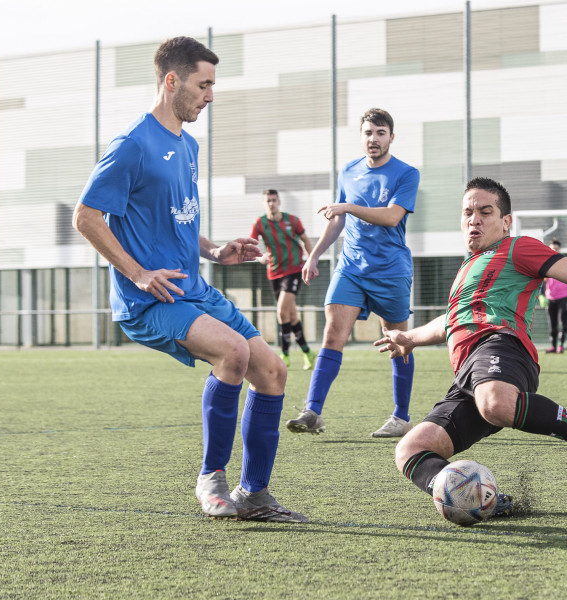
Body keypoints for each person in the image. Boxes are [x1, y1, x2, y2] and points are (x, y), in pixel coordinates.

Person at [73, 36, 306, 522]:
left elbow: (174, 219)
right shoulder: (132, 144)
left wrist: (215, 249)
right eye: (204, 85)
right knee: (234, 353)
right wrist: (136, 274)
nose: (211, 95)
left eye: (213, 85)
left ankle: (254, 494)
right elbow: (86, 216)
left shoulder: (189, 145)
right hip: (151, 299)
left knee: (273, 371)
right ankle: (211, 478)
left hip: (194, 288)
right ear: (171, 81)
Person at [375, 177, 567, 518]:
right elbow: (451, 322)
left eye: (486, 212)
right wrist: (409, 337)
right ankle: (480, 501)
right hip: (468, 376)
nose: (475, 219)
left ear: (506, 222)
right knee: (411, 449)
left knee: (496, 402)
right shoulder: (466, 269)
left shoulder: (518, 247)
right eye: (468, 212)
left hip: (502, 348)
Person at [286, 108, 420, 438]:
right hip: (351, 268)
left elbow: (391, 217)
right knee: (333, 333)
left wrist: (346, 207)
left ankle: (401, 417)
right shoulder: (348, 171)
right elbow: (337, 220)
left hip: (391, 272)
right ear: (360, 136)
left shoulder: (406, 173)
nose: (373, 139)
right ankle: (312, 411)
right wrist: (314, 255)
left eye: (380, 133)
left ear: (391, 136)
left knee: (398, 342)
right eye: (368, 133)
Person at [251, 189, 317, 370]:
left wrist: (311, 261)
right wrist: (260, 257)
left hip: (294, 270)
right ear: (265, 203)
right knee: (291, 315)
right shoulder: (260, 223)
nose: (271, 203)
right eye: (268, 201)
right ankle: (307, 352)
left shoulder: (293, 220)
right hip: (274, 273)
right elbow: (251, 247)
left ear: (279, 201)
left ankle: (284, 354)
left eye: (274, 200)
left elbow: (305, 240)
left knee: (281, 312)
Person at [537, 238, 567, 354]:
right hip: (551, 299)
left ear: (559, 249)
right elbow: (542, 282)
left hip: (564, 297)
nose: (554, 249)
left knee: (562, 322)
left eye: (556, 248)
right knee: (552, 324)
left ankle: (561, 345)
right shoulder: (544, 263)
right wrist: (541, 295)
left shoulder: (565, 262)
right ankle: (553, 346)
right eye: (552, 248)